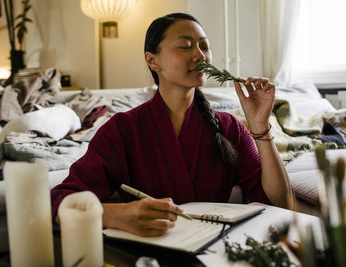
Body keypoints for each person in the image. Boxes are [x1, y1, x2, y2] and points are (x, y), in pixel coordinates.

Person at [51, 13, 294, 237]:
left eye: (205, 46)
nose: (200, 56)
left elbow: (281, 203)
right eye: (185, 46)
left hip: (213, 248)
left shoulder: (229, 127)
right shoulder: (122, 130)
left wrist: (260, 126)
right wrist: (116, 215)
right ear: (152, 60)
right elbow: (62, 198)